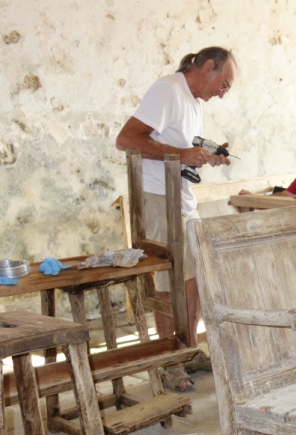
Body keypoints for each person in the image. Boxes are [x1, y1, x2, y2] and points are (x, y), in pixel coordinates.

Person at [115, 46, 237, 392]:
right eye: (224, 84)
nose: (222, 93)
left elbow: (182, 147)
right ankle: (168, 359)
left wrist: (206, 155)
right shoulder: (168, 89)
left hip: (181, 197)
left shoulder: (193, 101)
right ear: (208, 66)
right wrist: (182, 154)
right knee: (170, 281)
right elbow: (126, 140)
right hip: (157, 197)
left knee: (193, 279)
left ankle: (188, 349)